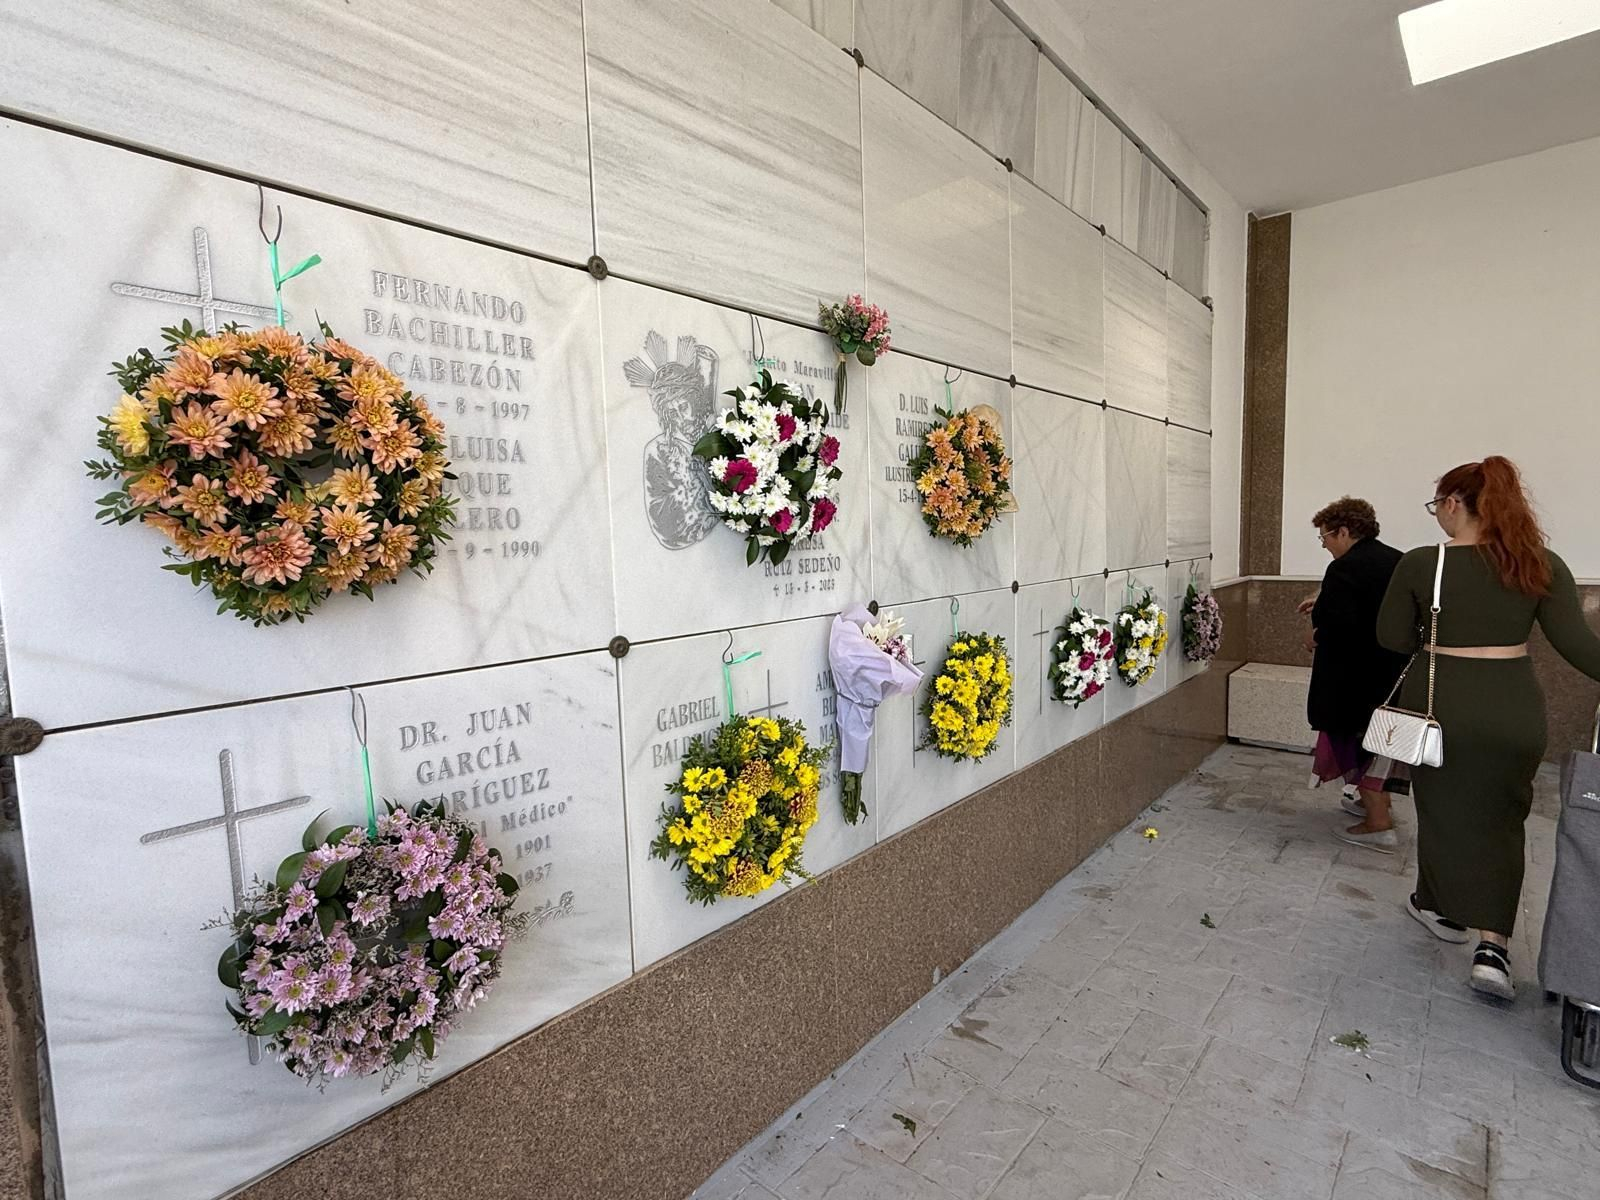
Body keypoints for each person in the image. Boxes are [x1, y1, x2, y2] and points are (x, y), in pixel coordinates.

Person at [1378, 457, 1600, 1001]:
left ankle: (1442, 911)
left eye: (1438, 506)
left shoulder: (1420, 564)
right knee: (1503, 820)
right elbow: (1579, 647)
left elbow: (1390, 639)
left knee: (1441, 812)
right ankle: (1492, 949)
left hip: (1439, 705)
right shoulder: (1538, 562)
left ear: (1454, 503)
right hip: (1512, 708)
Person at [1300, 498, 1410, 851]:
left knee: (1356, 741)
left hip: (1353, 678)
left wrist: (1314, 634)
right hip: (1390, 672)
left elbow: (1340, 624)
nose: (1326, 545)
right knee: (1381, 742)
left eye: (1325, 538)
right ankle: (1376, 804)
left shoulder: (1345, 568)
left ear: (1344, 531)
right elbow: (1375, 605)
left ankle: (1379, 825)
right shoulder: (1397, 559)